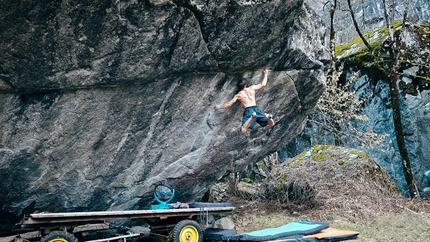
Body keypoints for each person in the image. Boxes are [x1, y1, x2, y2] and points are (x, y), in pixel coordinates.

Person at [215, 69, 275, 133]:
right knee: (271, 124)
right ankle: (269, 117)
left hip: (248, 110)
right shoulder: (252, 88)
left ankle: (252, 117)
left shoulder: (238, 95)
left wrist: (219, 107)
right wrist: (266, 73)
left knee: (243, 129)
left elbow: (229, 104)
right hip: (256, 108)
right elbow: (263, 84)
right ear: (245, 85)